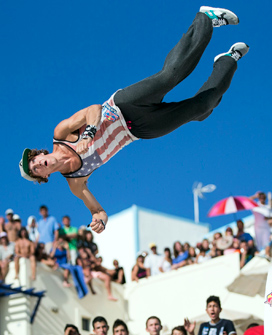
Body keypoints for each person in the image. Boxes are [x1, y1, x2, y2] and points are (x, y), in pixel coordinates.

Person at [18, 7, 247, 234]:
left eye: (35, 161)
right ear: (44, 177)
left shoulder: (61, 134)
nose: (38, 165)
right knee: (201, 108)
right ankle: (227, 61)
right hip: (137, 130)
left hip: (123, 106)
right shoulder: (75, 183)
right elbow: (98, 211)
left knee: (170, 76)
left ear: (40, 154)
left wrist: (88, 134)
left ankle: (205, 19)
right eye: (36, 171)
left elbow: (94, 109)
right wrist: (100, 221)